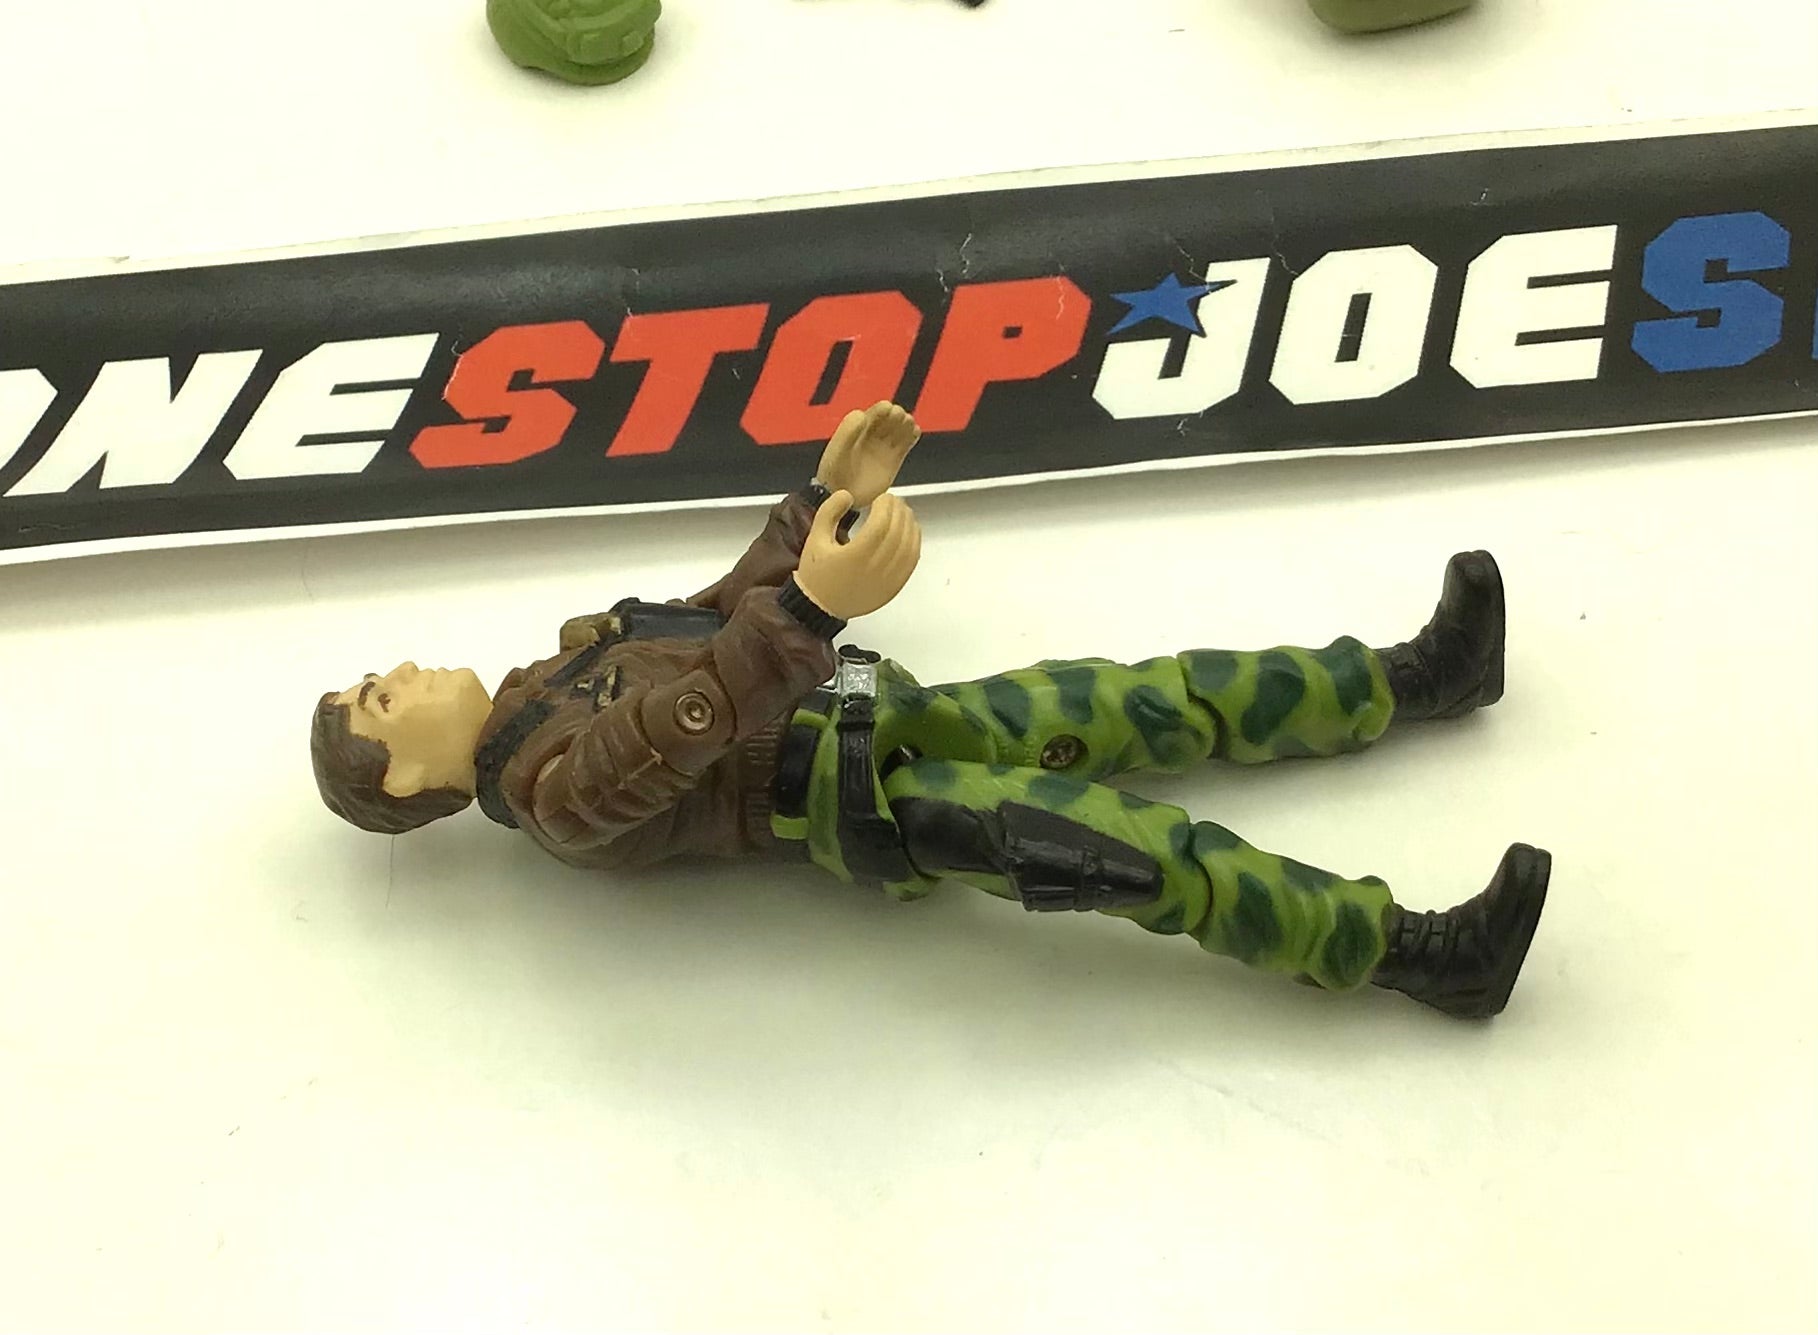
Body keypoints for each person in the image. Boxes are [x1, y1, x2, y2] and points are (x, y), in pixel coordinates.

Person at [311, 402, 1548, 1019]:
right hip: (872, 801)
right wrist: (809, 608)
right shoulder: (552, 798)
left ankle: (1417, 676)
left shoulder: (561, 667)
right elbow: (684, 725)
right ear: (409, 784)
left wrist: (819, 504)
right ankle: (1415, 953)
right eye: (379, 702)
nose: (399, 674)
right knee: (1145, 856)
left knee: (1156, 695)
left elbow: (710, 612)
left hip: (880, 709)